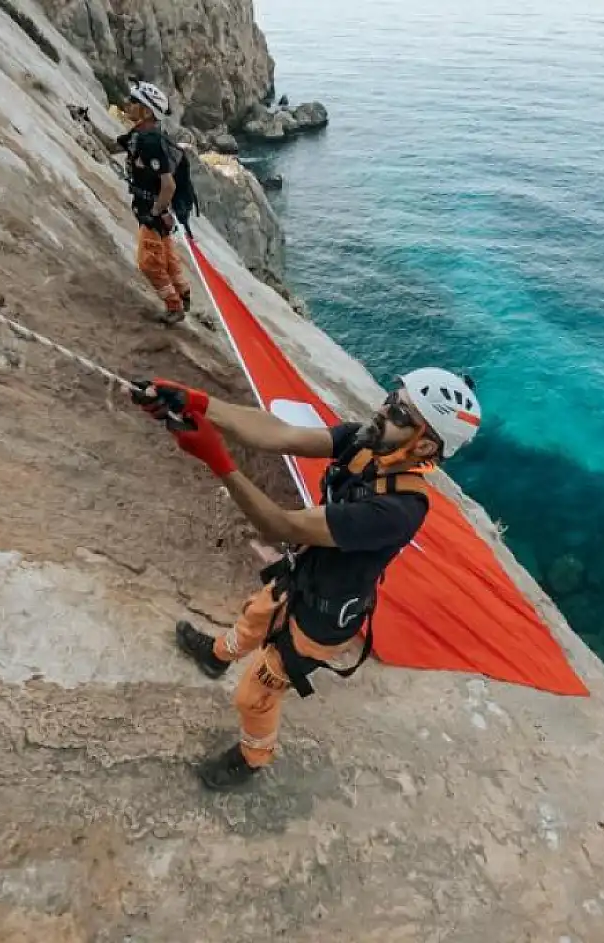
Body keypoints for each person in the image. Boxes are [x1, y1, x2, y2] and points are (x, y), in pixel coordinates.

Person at [134, 369, 484, 790]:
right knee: (254, 616)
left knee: (255, 695)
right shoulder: (363, 443)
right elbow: (279, 433)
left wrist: (218, 460)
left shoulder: (400, 509)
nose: (383, 410)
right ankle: (215, 655)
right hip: (304, 574)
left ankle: (252, 758)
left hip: (326, 616)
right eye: (391, 398)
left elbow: (283, 525)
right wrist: (198, 402)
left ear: (424, 445)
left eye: (399, 412)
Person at [111, 81, 193, 323]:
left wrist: (156, 211)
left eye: (134, 102)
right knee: (167, 256)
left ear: (147, 111)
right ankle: (183, 293)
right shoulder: (138, 135)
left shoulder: (150, 142)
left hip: (152, 209)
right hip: (152, 207)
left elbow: (168, 185)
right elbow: (115, 144)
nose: (128, 104)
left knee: (148, 262)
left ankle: (174, 306)